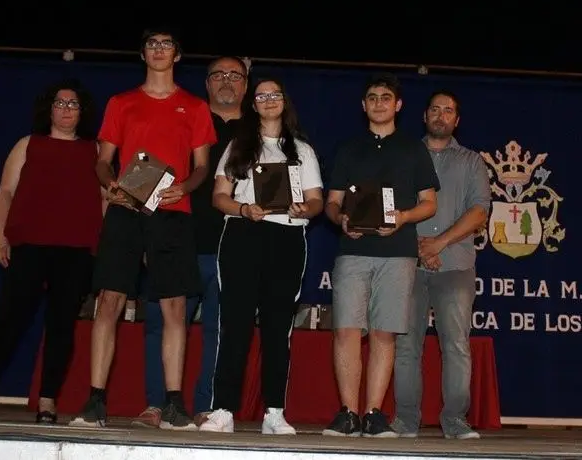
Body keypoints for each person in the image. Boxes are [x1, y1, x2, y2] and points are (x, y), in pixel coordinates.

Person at [69, 28, 217, 430]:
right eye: (152, 44)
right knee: (109, 300)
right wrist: (111, 185)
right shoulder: (121, 103)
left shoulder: (195, 107)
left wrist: (184, 187)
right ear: (143, 54)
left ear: (177, 55)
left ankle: (173, 404)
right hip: (127, 208)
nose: (159, 50)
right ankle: (95, 401)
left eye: (166, 44)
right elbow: (103, 161)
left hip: (173, 211)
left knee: (174, 306)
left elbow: (202, 167)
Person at [0, 79, 103, 424]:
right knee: (8, 320)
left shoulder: (96, 150)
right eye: (60, 103)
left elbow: (106, 199)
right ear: (49, 109)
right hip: (29, 246)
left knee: (61, 327)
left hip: (76, 250)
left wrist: (102, 245)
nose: (66, 109)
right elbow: (6, 192)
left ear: (83, 112)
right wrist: (0, 235)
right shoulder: (28, 144)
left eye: (73, 104)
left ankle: (47, 401)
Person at [199, 77, 323, 434]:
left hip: (287, 237)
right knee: (234, 324)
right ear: (253, 105)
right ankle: (223, 409)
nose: (269, 100)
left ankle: (274, 412)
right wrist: (243, 209)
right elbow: (219, 196)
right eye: (262, 95)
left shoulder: (302, 150)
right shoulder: (239, 146)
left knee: (277, 328)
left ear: (284, 101)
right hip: (242, 234)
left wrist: (304, 210)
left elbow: (316, 200)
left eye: (275, 94)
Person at [133, 56, 249, 429]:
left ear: (246, 84)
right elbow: (148, 169)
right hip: (175, 237)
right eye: (218, 75)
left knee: (220, 332)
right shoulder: (185, 115)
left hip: (233, 246)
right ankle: (157, 404)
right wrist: (146, 235)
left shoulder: (259, 129)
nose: (226, 81)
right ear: (206, 83)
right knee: (160, 325)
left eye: (235, 75)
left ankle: (207, 408)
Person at [322, 73, 439, 438]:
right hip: (353, 251)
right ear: (364, 105)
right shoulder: (348, 149)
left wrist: (402, 217)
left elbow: (429, 204)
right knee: (346, 330)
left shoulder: (413, 149)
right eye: (372, 97)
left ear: (398, 105)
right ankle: (348, 413)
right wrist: (341, 220)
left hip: (397, 253)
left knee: (384, 333)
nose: (378, 103)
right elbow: (332, 203)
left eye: (385, 97)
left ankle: (373, 413)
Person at [391, 90, 489, 440]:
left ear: (456, 120)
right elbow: (392, 205)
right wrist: (420, 248)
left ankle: (455, 421)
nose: (440, 115)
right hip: (407, 263)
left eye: (448, 111)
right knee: (405, 346)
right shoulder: (404, 154)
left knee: (456, 346)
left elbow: (479, 211)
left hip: (456, 265)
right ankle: (405, 421)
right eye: (434, 109)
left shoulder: (472, 162)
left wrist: (439, 243)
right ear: (424, 115)